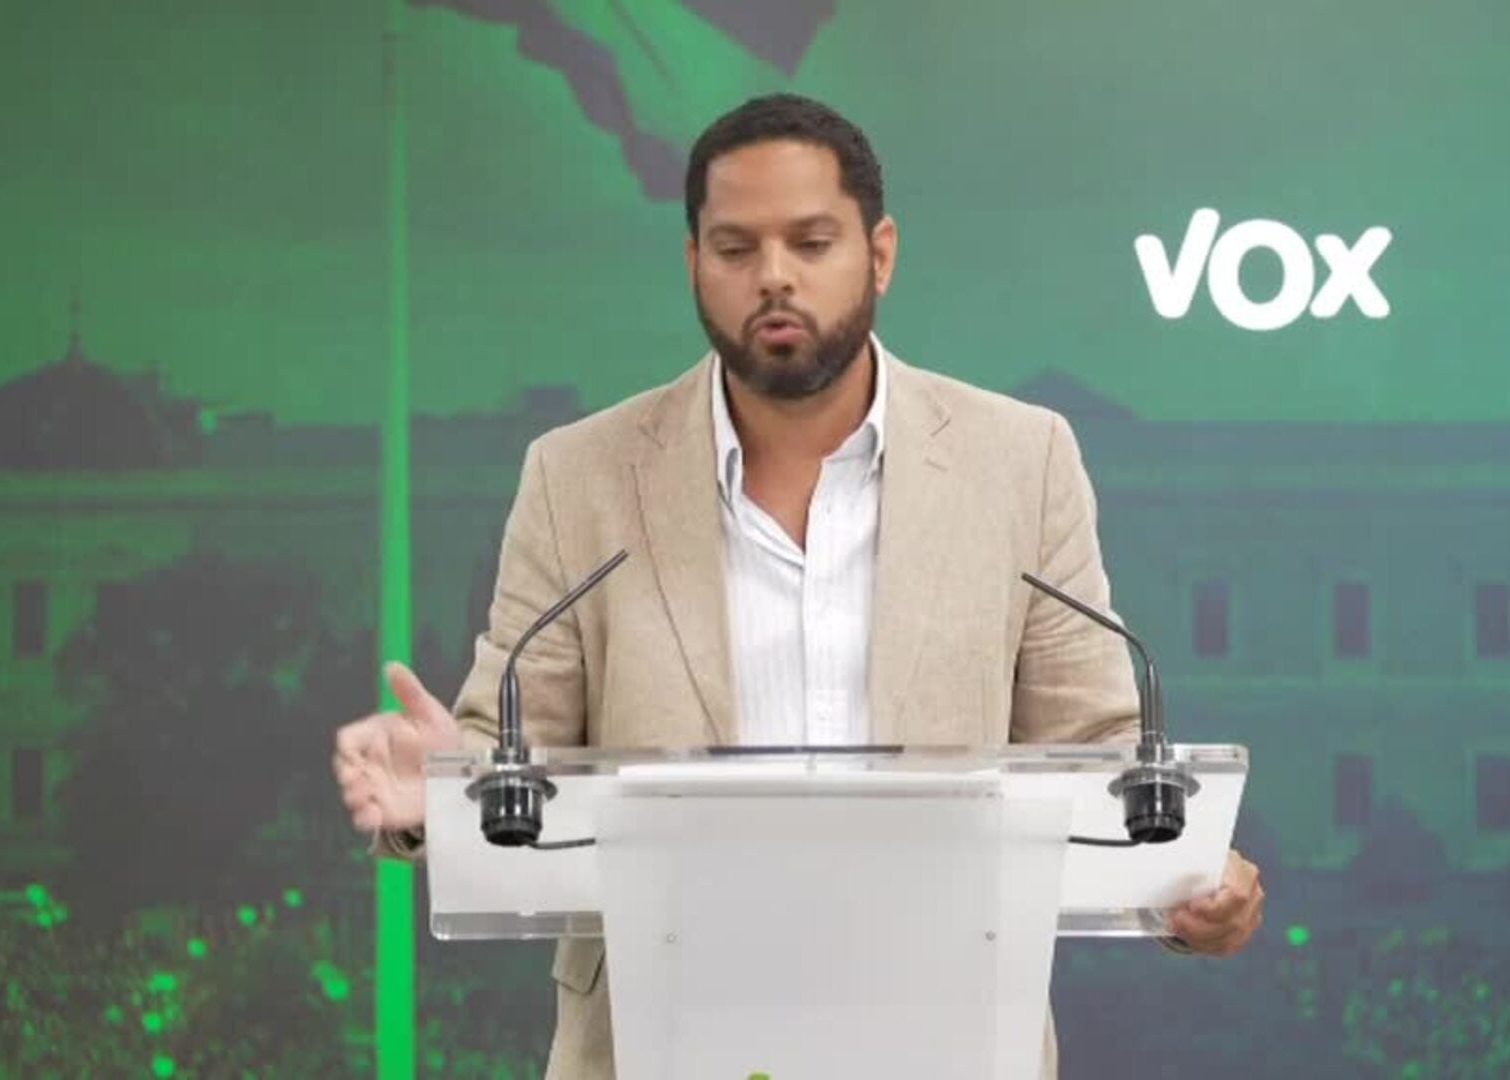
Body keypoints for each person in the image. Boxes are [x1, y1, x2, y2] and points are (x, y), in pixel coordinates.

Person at [333, 92, 1264, 1079]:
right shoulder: (580, 477)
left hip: (943, 1035)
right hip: (656, 1040)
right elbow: (516, 751)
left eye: (811, 243)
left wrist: (1187, 872)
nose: (773, 276)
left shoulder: (1019, 461)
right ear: (693, 263)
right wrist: (442, 790)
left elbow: (1095, 745)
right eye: (735, 249)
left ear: (880, 254)